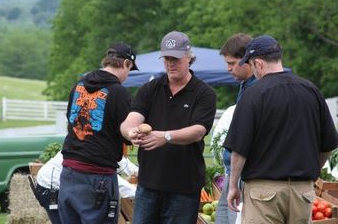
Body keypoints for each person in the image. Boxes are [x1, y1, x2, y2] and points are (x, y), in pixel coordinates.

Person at [225, 35, 338, 223]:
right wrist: (311, 172)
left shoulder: (253, 94)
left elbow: (239, 149)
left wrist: (233, 186)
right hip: (302, 192)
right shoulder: (311, 90)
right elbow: (328, 145)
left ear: (259, 64)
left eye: (252, 66)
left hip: (264, 192)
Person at [120, 30, 217, 224]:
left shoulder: (204, 93)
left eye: (176, 58)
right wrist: (130, 132)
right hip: (148, 184)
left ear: (189, 58)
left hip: (184, 187)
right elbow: (131, 119)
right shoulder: (150, 89)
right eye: (166, 58)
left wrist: (166, 136)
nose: (170, 63)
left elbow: (198, 131)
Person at [58, 42, 138, 224]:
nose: (127, 76)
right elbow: (127, 133)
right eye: (130, 69)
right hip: (97, 174)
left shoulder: (78, 86)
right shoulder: (119, 93)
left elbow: (71, 120)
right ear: (126, 64)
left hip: (69, 172)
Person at [214, 33, 255, 224]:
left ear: (247, 60)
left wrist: (234, 180)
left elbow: (245, 138)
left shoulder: (257, 89)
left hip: (246, 174)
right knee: (223, 218)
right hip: (235, 172)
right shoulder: (245, 85)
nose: (228, 68)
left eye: (231, 62)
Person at [34, 151, 138, 224]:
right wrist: (139, 194)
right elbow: (112, 182)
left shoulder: (107, 144)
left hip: (67, 185)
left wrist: (140, 173)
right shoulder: (92, 149)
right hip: (50, 187)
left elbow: (122, 162)